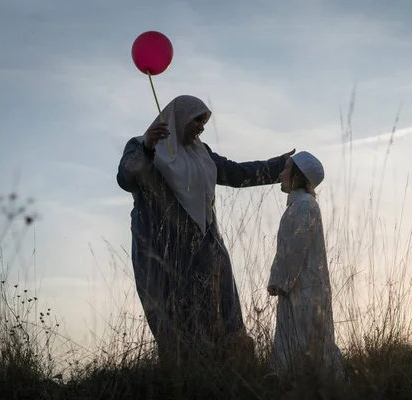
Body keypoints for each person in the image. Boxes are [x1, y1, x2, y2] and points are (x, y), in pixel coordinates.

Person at [116, 94, 294, 360]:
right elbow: (127, 179)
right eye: (196, 120)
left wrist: (278, 165)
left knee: (220, 306)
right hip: (163, 248)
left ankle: (229, 368)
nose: (201, 126)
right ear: (180, 118)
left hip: (206, 244)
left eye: (204, 121)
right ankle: (186, 373)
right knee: (176, 311)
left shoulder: (202, 152)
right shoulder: (140, 145)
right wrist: (148, 147)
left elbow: (235, 173)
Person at [267, 151, 343, 379]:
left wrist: (279, 281)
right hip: (297, 289)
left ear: (298, 176)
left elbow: (295, 249)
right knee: (296, 342)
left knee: (305, 342)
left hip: (303, 290)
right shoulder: (299, 206)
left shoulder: (305, 206)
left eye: (286, 169)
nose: (281, 174)